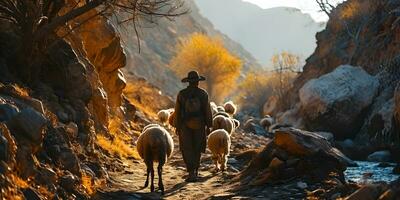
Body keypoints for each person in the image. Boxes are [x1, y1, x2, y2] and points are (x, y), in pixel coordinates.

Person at [173, 71, 213, 182]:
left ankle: (190, 172)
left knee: (186, 147)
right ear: (198, 82)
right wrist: (209, 125)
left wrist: (177, 125)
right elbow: (207, 110)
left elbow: (177, 111)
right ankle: (195, 171)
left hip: (185, 125)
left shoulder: (181, 94)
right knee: (198, 147)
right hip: (199, 124)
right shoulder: (203, 94)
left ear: (188, 82)